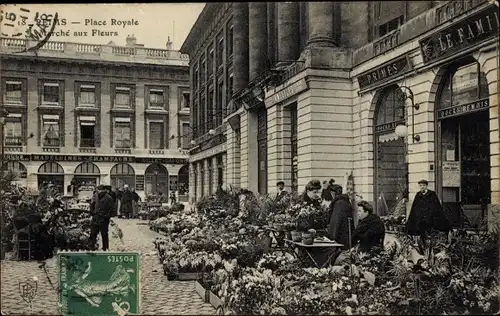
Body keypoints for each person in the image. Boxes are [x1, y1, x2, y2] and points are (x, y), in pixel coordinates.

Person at [406, 180, 451, 252]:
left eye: (423, 185)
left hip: (430, 219)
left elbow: (436, 207)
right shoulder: (418, 195)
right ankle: (423, 249)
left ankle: (432, 248)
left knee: (430, 235)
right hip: (421, 220)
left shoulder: (432, 194)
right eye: (420, 186)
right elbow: (414, 207)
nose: (422, 187)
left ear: (426, 186)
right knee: (421, 235)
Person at [328, 184, 355, 249]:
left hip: (340, 236)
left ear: (333, 193)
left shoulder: (339, 203)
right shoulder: (345, 201)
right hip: (346, 234)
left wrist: (333, 237)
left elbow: (336, 221)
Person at [89, 184, 114, 251]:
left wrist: (106, 216)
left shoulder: (108, 198)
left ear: (103, 190)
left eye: (99, 190)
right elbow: (91, 205)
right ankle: (92, 246)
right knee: (93, 233)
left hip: (104, 219)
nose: (98, 191)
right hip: (96, 217)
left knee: (104, 233)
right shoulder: (95, 196)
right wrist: (92, 213)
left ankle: (105, 248)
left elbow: (111, 209)